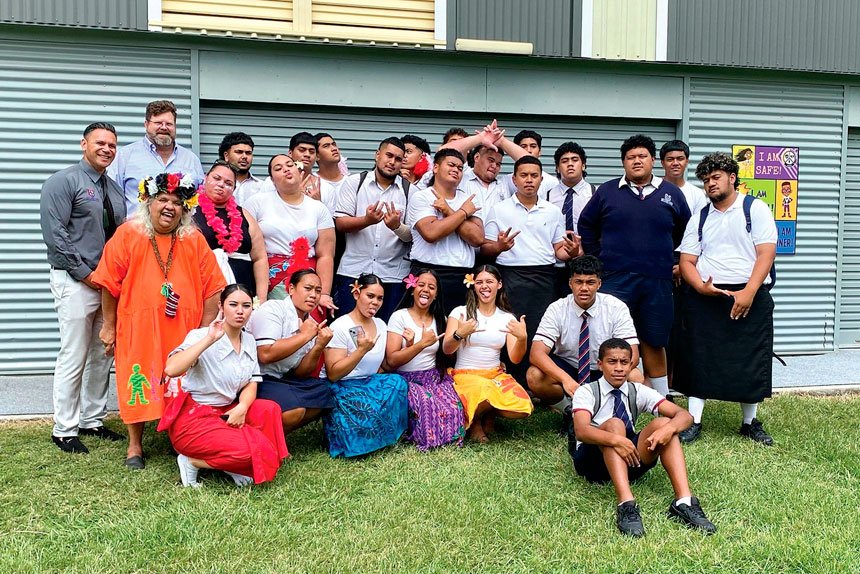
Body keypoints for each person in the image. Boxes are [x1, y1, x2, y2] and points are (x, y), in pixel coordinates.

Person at [92, 172, 225, 469]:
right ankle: (135, 445)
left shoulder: (193, 238)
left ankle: (182, 437)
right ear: (148, 202)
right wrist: (109, 326)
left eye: (177, 202)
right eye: (162, 200)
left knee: (182, 381)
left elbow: (213, 288)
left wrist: (201, 334)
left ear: (185, 209)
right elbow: (109, 285)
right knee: (136, 378)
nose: (169, 207)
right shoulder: (128, 234)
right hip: (138, 326)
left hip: (183, 328)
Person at [675, 152, 777, 445]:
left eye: (716, 177)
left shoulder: (754, 209)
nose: (710, 184)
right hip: (707, 296)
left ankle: (749, 422)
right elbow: (687, 260)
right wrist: (699, 287)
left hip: (750, 293)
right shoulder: (701, 215)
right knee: (699, 356)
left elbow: (766, 253)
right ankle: (693, 421)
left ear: (732, 178)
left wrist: (748, 292)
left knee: (750, 357)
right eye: (706, 180)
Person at [578, 134, 691, 399]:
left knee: (655, 338)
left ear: (653, 160)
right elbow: (586, 225)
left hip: (657, 279)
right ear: (623, 163)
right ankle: (604, 395)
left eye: (642, 156)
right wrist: (598, 259)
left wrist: (674, 260)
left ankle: (661, 398)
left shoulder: (672, 194)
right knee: (611, 336)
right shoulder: (607, 191)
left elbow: (686, 233)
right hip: (616, 278)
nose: (636, 161)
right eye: (630, 158)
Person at [39, 122, 127, 453]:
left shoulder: (114, 188)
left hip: (106, 284)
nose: (106, 149)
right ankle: (64, 428)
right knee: (74, 353)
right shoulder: (63, 182)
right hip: (76, 281)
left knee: (102, 354)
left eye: (112, 145)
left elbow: (120, 238)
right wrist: (87, 274)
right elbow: (55, 236)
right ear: (83, 144)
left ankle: (93, 420)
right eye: (100, 143)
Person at [572, 338, 716, 537]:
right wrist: (616, 440)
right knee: (615, 424)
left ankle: (684, 501)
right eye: (612, 362)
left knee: (665, 424)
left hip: (630, 459)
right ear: (600, 364)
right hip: (592, 461)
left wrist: (669, 428)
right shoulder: (587, 391)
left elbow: (685, 416)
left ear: (632, 365)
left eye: (624, 362)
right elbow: (581, 431)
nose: (619, 368)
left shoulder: (637, 390)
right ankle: (626, 504)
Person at [159, 284, 289, 487]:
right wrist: (209, 339)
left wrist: (242, 407)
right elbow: (171, 369)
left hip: (227, 410)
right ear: (221, 306)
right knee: (253, 450)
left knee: (269, 410)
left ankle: (236, 463)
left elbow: (251, 382)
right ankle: (192, 462)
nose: (240, 311)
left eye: (246, 306)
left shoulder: (248, 340)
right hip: (195, 417)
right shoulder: (200, 334)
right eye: (233, 304)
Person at [480, 156, 580, 382]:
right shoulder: (499, 209)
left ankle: (535, 382)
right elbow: (485, 249)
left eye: (534, 175)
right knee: (511, 329)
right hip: (510, 275)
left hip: (545, 277)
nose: (529, 180)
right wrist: (500, 246)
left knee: (540, 331)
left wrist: (572, 252)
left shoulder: (553, 211)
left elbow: (558, 251)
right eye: (523, 175)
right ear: (514, 179)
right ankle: (510, 381)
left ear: (541, 179)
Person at [527, 255, 641, 412]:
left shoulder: (616, 307)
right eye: (579, 282)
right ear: (570, 283)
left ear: (599, 284)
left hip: (603, 367)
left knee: (635, 376)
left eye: (590, 282)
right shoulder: (557, 308)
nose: (584, 288)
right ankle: (567, 409)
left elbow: (632, 354)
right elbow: (536, 354)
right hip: (569, 366)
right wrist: (566, 380)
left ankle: (606, 408)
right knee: (534, 375)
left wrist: (606, 379)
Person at [442, 265, 532, 443]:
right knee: (482, 388)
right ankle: (476, 423)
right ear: (473, 285)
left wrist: (522, 338)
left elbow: (515, 358)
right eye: (479, 282)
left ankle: (487, 411)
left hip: (494, 375)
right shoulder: (459, 313)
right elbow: (447, 349)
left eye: (489, 281)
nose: (484, 286)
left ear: (499, 285)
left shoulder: (507, 318)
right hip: (465, 376)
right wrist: (460, 334)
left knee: (522, 406)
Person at [322, 274, 408, 458]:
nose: (375, 302)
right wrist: (360, 351)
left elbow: (383, 365)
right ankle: (360, 440)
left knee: (397, 383)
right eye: (370, 296)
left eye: (379, 298)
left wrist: (411, 345)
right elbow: (333, 374)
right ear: (356, 294)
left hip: (369, 382)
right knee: (361, 405)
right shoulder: (342, 325)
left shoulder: (380, 324)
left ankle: (382, 434)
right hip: (343, 387)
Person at [243, 154, 336, 311]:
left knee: (309, 328)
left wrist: (324, 293)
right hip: (268, 274)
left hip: (307, 277)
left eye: (290, 165)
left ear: (299, 172)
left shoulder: (318, 208)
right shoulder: (257, 202)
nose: (286, 169)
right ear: (272, 180)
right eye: (278, 168)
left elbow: (326, 255)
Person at [333, 137, 412, 321]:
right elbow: (341, 223)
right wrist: (366, 220)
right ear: (377, 155)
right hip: (353, 272)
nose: (392, 162)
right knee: (349, 330)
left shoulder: (410, 191)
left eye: (398, 159)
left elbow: (412, 236)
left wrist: (396, 227)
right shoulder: (354, 182)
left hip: (392, 275)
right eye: (389, 155)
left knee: (385, 332)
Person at [386, 269, 465, 450]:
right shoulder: (399, 316)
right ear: (412, 288)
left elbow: (448, 354)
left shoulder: (440, 320)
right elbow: (392, 360)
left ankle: (448, 440)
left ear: (436, 294)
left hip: (433, 378)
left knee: (454, 406)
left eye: (431, 287)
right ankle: (429, 440)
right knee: (425, 403)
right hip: (406, 380)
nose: (426, 290)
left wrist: (459, 335)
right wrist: (419, 344)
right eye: (421, 285)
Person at [250, 269, 335, 435]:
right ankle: (263, 440)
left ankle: (274, 437)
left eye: (318, 291)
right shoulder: (273, 309)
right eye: (308, 288)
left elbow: (301, 372)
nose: (313, 295)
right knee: (295, 411)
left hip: (281, 379)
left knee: (325, 394)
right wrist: (305, 335)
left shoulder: (310, 323)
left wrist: (318, 346)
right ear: (291, 289)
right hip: (256, 378)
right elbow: (266, 354)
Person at [407, 149, 483, 314]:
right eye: (451, 165)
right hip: (426, 272)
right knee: (422, 326)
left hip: (462, 275)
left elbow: (477, 238)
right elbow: (431, 233)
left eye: (460, 168)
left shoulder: (468, 200)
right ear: (435, 168)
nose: (456, 169)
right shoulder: (422, 197)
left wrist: (448, 211)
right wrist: (463, 213)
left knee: (457, 330)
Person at [659, 140, 708, 386]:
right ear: (662, 162)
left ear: (687, 161)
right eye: (670, 159)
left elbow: (700, 235)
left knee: (680, 323)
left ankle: (676, 377)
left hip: (685, 266)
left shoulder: (697, 196)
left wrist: (684, 266)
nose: (675, 163)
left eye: (680, 158)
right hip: (656, 264)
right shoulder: (654, 190)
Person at [108, 99, 204, 214]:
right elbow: (112, 199)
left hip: (180, 230)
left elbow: (202, 199)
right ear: (146, 124)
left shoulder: (191, 159)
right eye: (158, 123)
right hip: (136, 230)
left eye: (169, 124)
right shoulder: (125, 156)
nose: (164, 128)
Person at [193, 161, 268, 301]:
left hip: (243, 288)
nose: (221, 185)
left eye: (228, 183)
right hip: (206, 286)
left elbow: (260, 258)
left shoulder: (243, 214)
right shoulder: (189, 212)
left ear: (234, 188)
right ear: (206, 178)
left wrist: (261, 298)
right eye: (216, 178)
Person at [547, 141, 594, 297]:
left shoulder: (596, 194)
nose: (570, 164)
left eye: (575, 160)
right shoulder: (546, 196)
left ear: (584, 165)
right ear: (557, 168)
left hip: (586, 264)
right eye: (564, 161)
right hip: (555, 266)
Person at [219, 132, 263, 206]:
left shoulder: (262, 187)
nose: (244, 156)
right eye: (239, 152)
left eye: (248, 153)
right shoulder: (216, 185)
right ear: (226, 156)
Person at [315, 132, 348, 214]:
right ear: (317, 156)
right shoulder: (312, 182)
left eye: (334, 144)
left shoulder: (351, 182)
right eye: (326, 146)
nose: (334, 148)